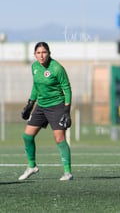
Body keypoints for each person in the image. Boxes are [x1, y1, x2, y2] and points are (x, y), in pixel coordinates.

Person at [19, 42, 73, 181]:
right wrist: (30, 104)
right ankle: (32, 166)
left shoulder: (57, 68)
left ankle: (67, 172)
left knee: (59, 138)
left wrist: (66, 110)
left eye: (44, 52)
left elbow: (66, 89)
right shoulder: (35, 67)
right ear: (35, 54)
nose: (41, 55)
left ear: (49, 53)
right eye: (38, 53)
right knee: (27, 136)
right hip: (41, 106)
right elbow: (36, 86)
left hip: (57, 106)